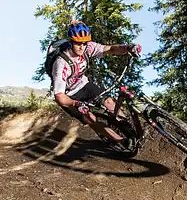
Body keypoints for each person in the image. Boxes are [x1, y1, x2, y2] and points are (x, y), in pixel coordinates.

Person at [50, 20, 141, 150]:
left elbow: (110, 49)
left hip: (84, 85)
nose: (82, 46)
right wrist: (76, 104)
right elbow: (59, 96)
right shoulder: (61, 63)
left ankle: (129, 130)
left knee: (109, 102)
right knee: (90, 117)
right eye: (77, 43)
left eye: (85, 43)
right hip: (69, 96)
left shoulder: (88, 47)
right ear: (71, 42)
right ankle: (122, 142)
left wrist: (128, 48)